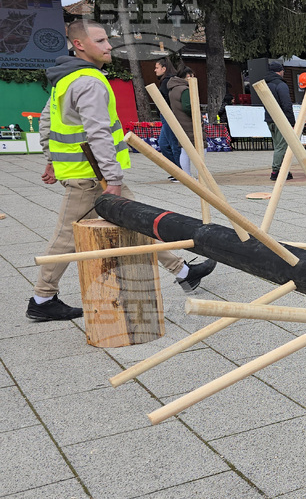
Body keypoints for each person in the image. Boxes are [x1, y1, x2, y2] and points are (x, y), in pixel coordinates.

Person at [29, 20, 215, 322]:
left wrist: (51, 159)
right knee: (66, 238)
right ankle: (42, 297)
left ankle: (183, 271)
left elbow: (47, 120)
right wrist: (112, 179)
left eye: (107, 40)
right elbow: (98, 134)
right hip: (92, 178)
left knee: (138, 223)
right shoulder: (89, 82)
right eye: (100, 41)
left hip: (88, 173)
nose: (108, 46)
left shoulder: (65, 78)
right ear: (79, 45)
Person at [263, 60, 294, 181]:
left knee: (277, 145)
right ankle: (276, 171)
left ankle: (283, 169)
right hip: (280, 119)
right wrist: (292, 122)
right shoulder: (281, 85)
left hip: (269, 118)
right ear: (280, 71)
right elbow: (287, 104)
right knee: (281, 146)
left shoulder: (265, 84)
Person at [166, 65, 198, 177]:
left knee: (184, 149)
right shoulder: (185, 89)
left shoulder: (173, 89)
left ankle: (187, 175)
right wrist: (197, 116)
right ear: (188, 75)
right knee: (200, 148)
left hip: (179, 121)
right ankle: (200, 174)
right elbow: (188, 107)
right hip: (189, 122)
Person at [153, 58, 181, 174]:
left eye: (157, 68)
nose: (155, 70)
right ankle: (175, 170)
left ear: (164, 69)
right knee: (164, 144)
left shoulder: (166, 82)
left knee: (172, 144)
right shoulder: (167, 81)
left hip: (168, 116)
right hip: (165, 116)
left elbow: (166, 100)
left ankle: (180, 172)